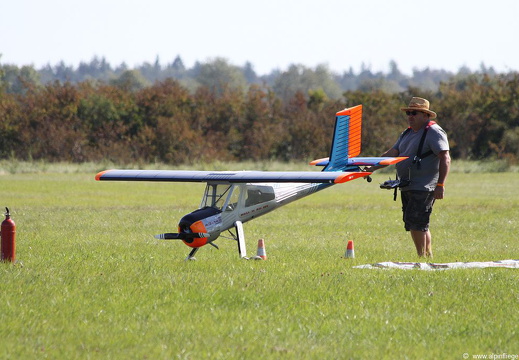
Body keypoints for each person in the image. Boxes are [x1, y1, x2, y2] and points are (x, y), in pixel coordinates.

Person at [366, 97, 451, 257]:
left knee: (416, 223)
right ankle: (427, 256)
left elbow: (445, 157)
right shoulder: (407, 133)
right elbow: (392, 153)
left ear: (425, 115)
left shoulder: (434, 131)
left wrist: (440, 185)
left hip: (424, 186)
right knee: (419, 223)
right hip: (408, 184)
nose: (410, 116)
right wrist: (372, 167)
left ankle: (421, 257)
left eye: (414, 113)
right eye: (408, 113)